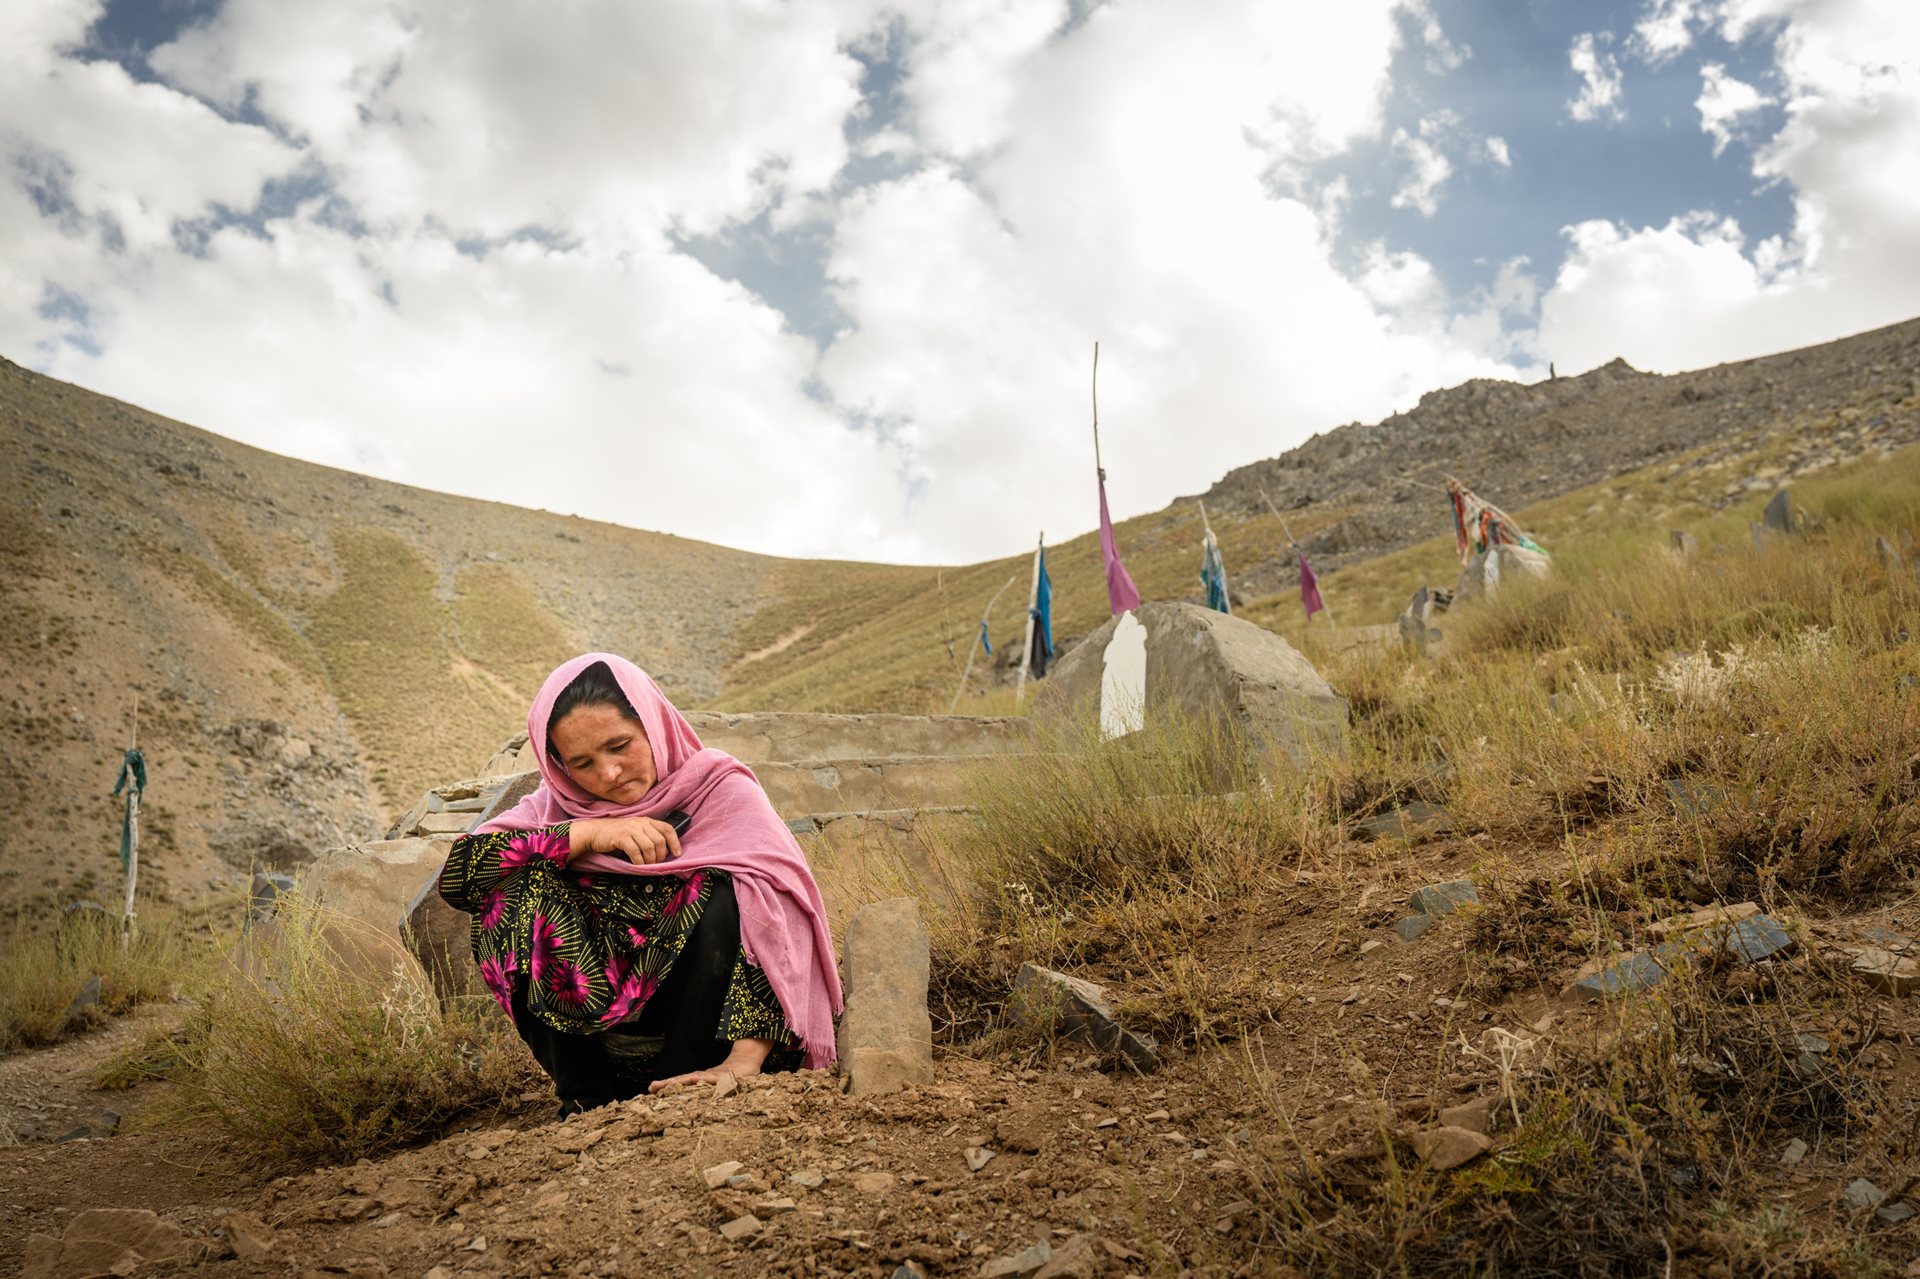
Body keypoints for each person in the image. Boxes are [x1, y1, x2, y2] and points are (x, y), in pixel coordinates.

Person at [437, 653, 842, 1116]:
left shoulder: (722, 792)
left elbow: (778, 924)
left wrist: (742, 1061)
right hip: (605, 1037)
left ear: (653, 725)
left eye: (619, 745)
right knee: (508, 886)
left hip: (715, 1036)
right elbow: (460, 877)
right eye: (582, 763)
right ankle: (586, 1100)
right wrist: (586, 834)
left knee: (733, 893)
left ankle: (676, 1089)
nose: (607, 774)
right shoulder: (554, 810)